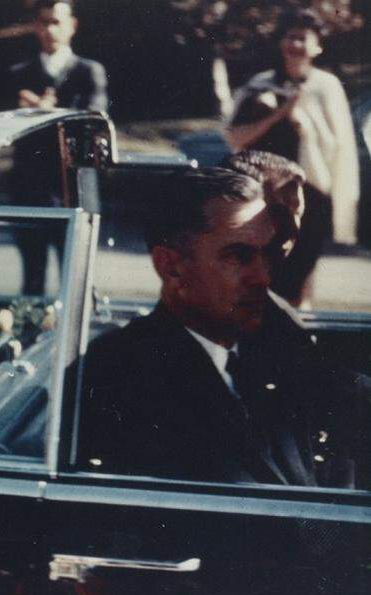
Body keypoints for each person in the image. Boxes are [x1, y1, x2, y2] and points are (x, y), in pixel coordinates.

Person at [79, 167, 363, 486]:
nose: (263, 277)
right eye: (238, 256)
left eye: (266, 255)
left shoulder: (272, 349)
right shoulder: (120, 374)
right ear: (171, 266)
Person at [225, 9, 360, 302]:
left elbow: (339, 146)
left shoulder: (326, 87)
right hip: (263, 193)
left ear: (317, 47)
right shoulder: (260, 84)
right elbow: (234, 137)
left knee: (300, 272)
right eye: (290, 37)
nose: (295, 44)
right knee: (262, 270)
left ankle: (299, 336)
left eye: (303, 38)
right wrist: (278, 114)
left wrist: (304, 125)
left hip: (309, 193)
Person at [6, 0, 108, 112]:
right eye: (44, 23)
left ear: (73, 25)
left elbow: (95, 119)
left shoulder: (89, 71)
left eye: (56, 22)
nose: (50, 30)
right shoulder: (19, 73)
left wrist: (47, 112)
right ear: (36, 26)